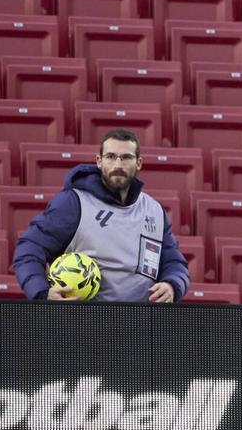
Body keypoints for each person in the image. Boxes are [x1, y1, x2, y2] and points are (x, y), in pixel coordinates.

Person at [13, 128, 190, 303]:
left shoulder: (154, 210)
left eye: (126, 157)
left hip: (140, 324)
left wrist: (172, 285)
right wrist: (42, 293)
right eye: (111, 156)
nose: (118, 165)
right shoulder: (74, 203)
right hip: (85, 323)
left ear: (139, 163)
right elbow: (29, 248)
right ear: (99, 161)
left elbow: (173, 262)